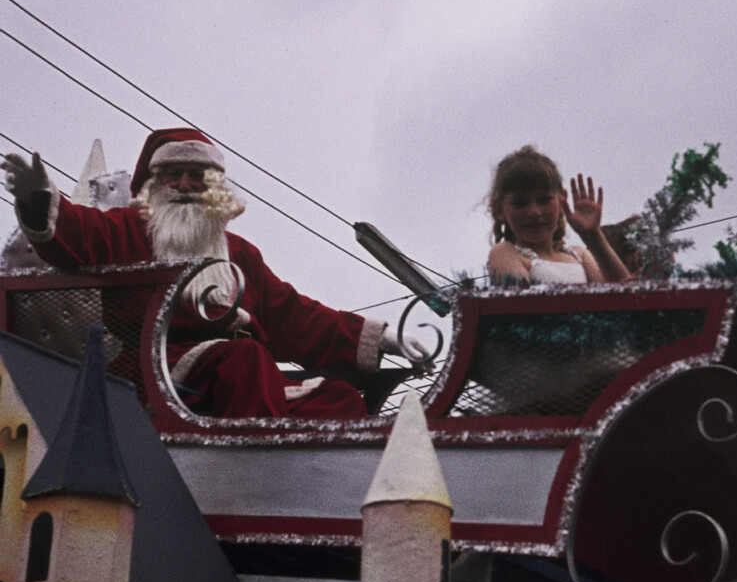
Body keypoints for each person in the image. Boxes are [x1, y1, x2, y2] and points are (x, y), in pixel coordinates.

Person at [3, 128, 416, 419]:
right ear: (152, 183)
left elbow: (297, 317)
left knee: (339, 398)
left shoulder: (240, 254)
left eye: (197, 175)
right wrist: (41, 200)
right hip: (155, 370)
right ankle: (257, 480)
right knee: (246, 360)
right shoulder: (127, 230)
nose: (185, 183)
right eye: (172, 174)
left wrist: (384, 338)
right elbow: (76, 231)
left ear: (213, 185)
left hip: (242, 379)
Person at [485, 146, 631, 286]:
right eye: (520, 203)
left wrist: (592, 236)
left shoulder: (580, 256)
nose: (534, 212)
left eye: (544, 200)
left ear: (562, 201)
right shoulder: (505, 253)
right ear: (499, 210)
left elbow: (626, 296)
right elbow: (521, 305)